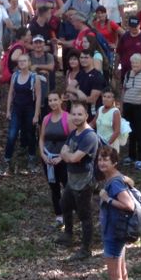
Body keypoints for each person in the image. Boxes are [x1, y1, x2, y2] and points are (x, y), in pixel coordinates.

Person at [56, 102, 99, 261]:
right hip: (72, 179)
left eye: (80, 114)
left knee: (84, 215)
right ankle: (68, 235)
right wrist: (68, 156)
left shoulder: (89, 136)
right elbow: (63, 151)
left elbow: (73, 157)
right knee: (65, 205)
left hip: (84, 181)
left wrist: (68, 156)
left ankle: (86, 249)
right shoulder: (74, 133)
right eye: (73, 114)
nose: (76, 117)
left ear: (86, 116)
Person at [97, 146, 134, 280]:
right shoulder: (115, 178)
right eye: (100, 159)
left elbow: (129, 205)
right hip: (116, 231)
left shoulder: (115, 183)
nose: (102, 163)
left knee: (115, 276)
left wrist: (107, 199)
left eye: (106, 160)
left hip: (114, 233)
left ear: (114, 162)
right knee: (121, 271)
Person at [0, 54, 41, 174]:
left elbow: (38, 97)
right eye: (20, 61)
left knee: (30, 135)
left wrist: (36, 114)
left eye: (24, 61)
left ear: (29, 63)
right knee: (12, 135)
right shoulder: (15, 76)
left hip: (29, 109)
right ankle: (7, 161)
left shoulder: (34, 77)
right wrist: (8, 110)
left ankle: (31, 160)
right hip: (17, 109)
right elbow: (11, 93)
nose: (22, 63)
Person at [39, 92, 74, 228]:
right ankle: (58, 215)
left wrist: (61, 157)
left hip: (63, 159)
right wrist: (42, 154)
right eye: (50, 100)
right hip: (48, 158)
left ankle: (69, 212)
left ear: (61, 100)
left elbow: (72, 140)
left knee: (66, 186)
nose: (52, 103)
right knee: (54, 187)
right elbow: (41, 138)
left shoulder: (68, 118)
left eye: (55, 100)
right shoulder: (46, 118)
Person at [29, 35, 56, 116]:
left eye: (40, 42)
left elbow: (51, 67)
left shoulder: (48, 56)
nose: (38, 45)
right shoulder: (28, 56)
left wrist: (37, 66)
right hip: (31, 92)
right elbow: (26, 69)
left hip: (46, 92)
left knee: (45, 115)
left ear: (44, 44)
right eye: (36, 42)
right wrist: (43, 70)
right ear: (33, 44)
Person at [92, 88, 122, 152]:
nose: (105, 99)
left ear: (113, 99)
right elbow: (93, 123)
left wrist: (107, 145)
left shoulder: (115, 112)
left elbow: (116, 132)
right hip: (99, 144)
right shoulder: (100, 109)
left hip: (110, 146)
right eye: (104, 96)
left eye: (109, 97)